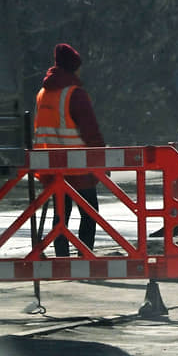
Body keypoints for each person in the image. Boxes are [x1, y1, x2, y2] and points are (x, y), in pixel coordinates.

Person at [34, 43, 105, 257]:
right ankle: (85, 256)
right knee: (90, 212)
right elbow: (91, 131)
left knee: (61, 214)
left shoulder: (42, 94)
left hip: (52, 167)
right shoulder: (75, 94)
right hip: (79, 166)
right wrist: (102, 160)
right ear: (73, 67)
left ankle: (62, 258)